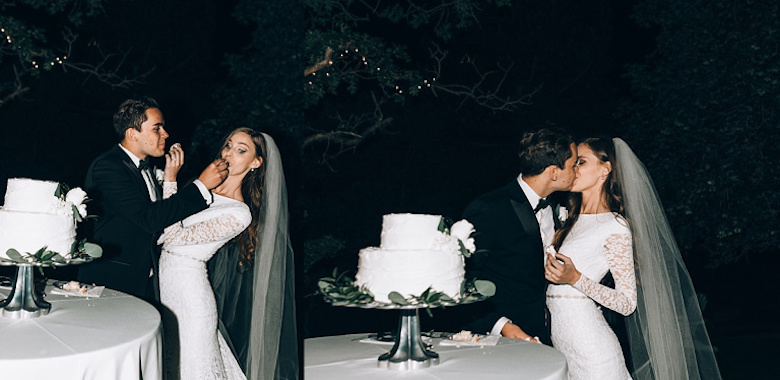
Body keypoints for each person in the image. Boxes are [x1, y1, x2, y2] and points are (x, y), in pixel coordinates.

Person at [544, 137, 721, 379]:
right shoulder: (571, 220)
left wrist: (575, 278)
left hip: (592, 350)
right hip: (563, 344)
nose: (573, 169)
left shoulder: (614, 226)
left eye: (581, 162)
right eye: (573, 163)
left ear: (604, 170)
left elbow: (627, 303)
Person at [158, 128, 298, 380]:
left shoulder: (239, 213)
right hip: (167, 286)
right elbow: (160, 225)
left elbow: (174, 237)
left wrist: (170, 179)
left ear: (256, 163)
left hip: (191, 296)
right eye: (228, 145)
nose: (229, 153)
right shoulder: (202, 191)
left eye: (241, 150)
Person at [78, 97, 227, 300]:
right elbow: (149, 219)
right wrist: (200, 186)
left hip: (144, 280)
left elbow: (162, 219)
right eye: (157, 128)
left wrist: (169, 179)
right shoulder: (108, 167)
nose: (165, 134)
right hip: (112, 281)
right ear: (133, 134)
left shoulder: (146, 168)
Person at [460, 128, 577, 344]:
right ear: (553, 172)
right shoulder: (489, 208)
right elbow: (463, 279)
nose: (577, 171)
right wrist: (501, 325)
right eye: (573, 165)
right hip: (501, 341)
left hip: (549, 335)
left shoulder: (553, 207)